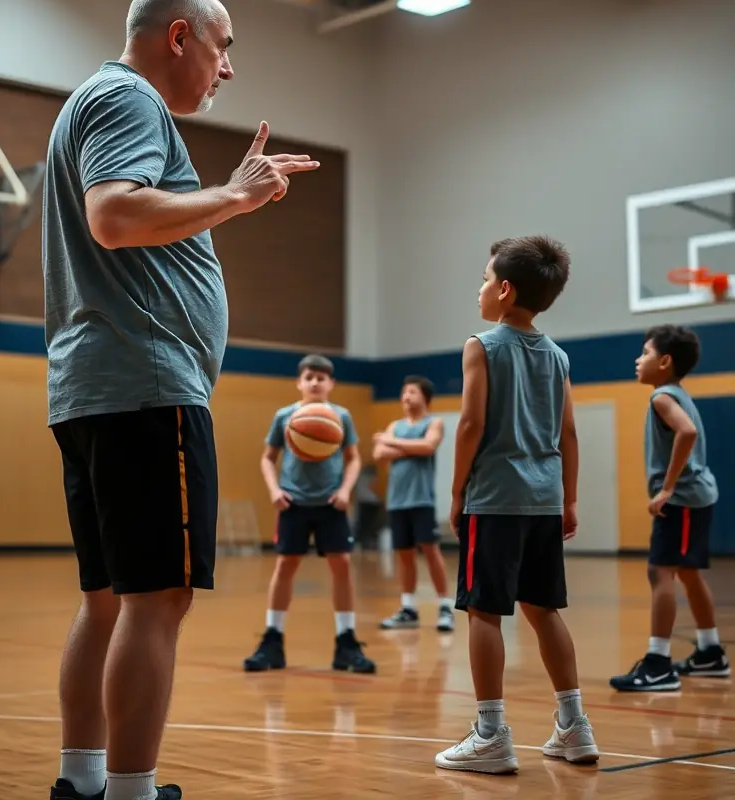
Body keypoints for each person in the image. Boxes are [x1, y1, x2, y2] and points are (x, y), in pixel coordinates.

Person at [43, 0, 319, 800]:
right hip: (144, 388)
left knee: (106, 602)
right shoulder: (128, 99)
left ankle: (83, 783)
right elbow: (116, 216)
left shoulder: (93, 102)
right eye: (223, 45)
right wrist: (234, 196)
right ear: (179, 37)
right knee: (156, 602)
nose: (226, 67)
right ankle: (129, 793)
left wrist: (224, 201)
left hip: (98, 388)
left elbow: (130, 216)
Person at [435, 236, 599, 775]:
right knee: (542, 609)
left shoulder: (481, 345)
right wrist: (570, 498)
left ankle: (489, 733)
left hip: (497, 497)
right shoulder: (558, 355)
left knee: (484, 611)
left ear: (504, 291)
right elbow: (569, 433)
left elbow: (470, 425)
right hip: (545, 499)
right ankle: (574, 726)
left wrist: (458, 492)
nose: (479, 288)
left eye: (485, 278)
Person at [609, 326, 729, 693]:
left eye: (644, 352)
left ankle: (658, 663)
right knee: (689, 573)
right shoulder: (677, 393)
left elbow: (687, 432)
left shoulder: (662, 397)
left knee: (660, 574)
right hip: (698, 497)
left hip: (683, 500)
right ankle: (709, 652)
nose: (637, 359)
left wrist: (668, 488)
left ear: (664, 361)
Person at [242, 354, 376, 674]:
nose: (315, 382)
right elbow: (267, 458)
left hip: (332, 504)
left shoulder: (341, 416)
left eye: (321, 377)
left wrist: (346, 491)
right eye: (309, 377)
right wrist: (274, 490)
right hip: (294, 503)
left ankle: (346, 641)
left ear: (331, 383)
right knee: (285, 565)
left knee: (341, 565)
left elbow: (355, 459)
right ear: (299, 382)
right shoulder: (285, 416)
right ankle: (273, 640)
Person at [373, 375, 454, 631]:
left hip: (422, 500)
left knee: (431, 551)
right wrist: (407, 447)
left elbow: (428, 446)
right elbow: (378, 454)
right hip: (397, 502)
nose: (406, 397)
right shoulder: (395, 425)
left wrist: (390, 443)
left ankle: (444, 606)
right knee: (404, 554)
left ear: (425, 398)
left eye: (412, 392)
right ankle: (408, 608)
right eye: (404, 392)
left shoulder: (434, 422)